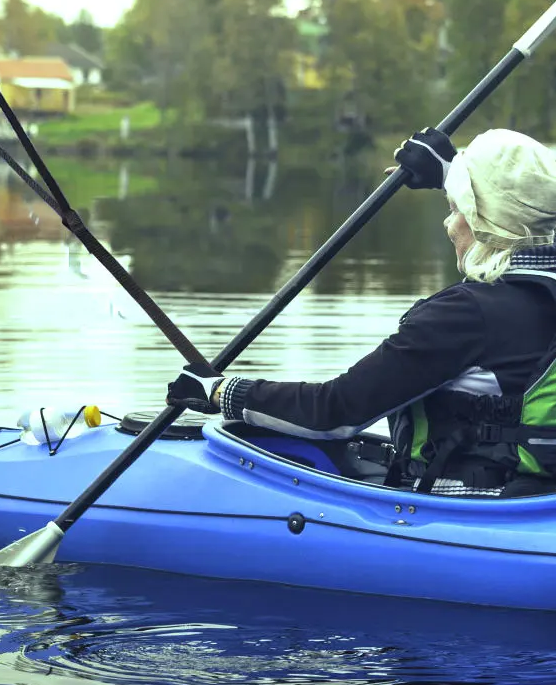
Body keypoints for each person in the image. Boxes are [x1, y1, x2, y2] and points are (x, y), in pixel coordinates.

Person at [167, 127, 556, 496]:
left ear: (484, 221)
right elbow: (521, 208)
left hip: (470, 507)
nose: (448, 224)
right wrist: (451, 172)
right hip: (535, 499)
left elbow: (335, 413)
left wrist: (219, 391)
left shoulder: (466, 315)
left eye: (456, 208)